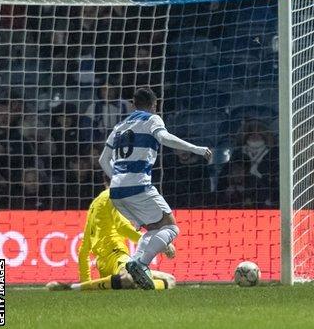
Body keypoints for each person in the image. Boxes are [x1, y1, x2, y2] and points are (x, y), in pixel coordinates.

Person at [99, 87, 211, 290]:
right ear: (154, 104)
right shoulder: (152, 119)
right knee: (170, 227)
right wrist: (196, 148)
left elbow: (102, 160)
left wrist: (117, 178)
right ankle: (140, 264)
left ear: (133, 104)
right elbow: (165, 138)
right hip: (138, 186)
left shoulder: (119, 127)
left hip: (116, 191)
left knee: (152, 229)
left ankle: (136, 263)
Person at [46, 176, 176, 291]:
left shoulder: (94, 205)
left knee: (169, 280)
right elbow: (122, 227)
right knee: (135, 279)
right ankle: (72, 288)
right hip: (116, 256)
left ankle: (81, 287)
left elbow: (84, 250)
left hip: (103, 265)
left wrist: (86, 282)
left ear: (104, 182)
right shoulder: (113, 197)